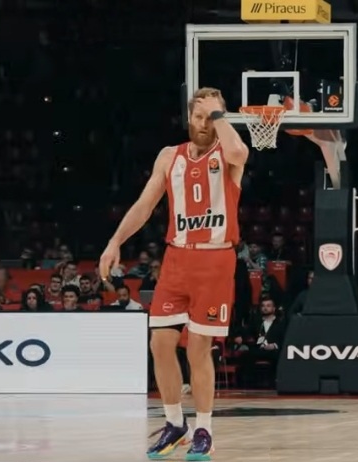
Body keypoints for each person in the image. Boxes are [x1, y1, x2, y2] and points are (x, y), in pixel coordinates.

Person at [99, 87, 248, 461]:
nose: (204, 123)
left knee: (198, 348)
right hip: (177, 259)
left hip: (215, 260)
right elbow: (144, 205)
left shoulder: (228, 154)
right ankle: (175, 424)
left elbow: (239, 152)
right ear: (188, 119)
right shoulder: (169, 156)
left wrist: (219, 114)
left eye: (211, 116)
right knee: (160, 344)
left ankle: (204, 430)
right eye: (199, 116)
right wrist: (115, 241)